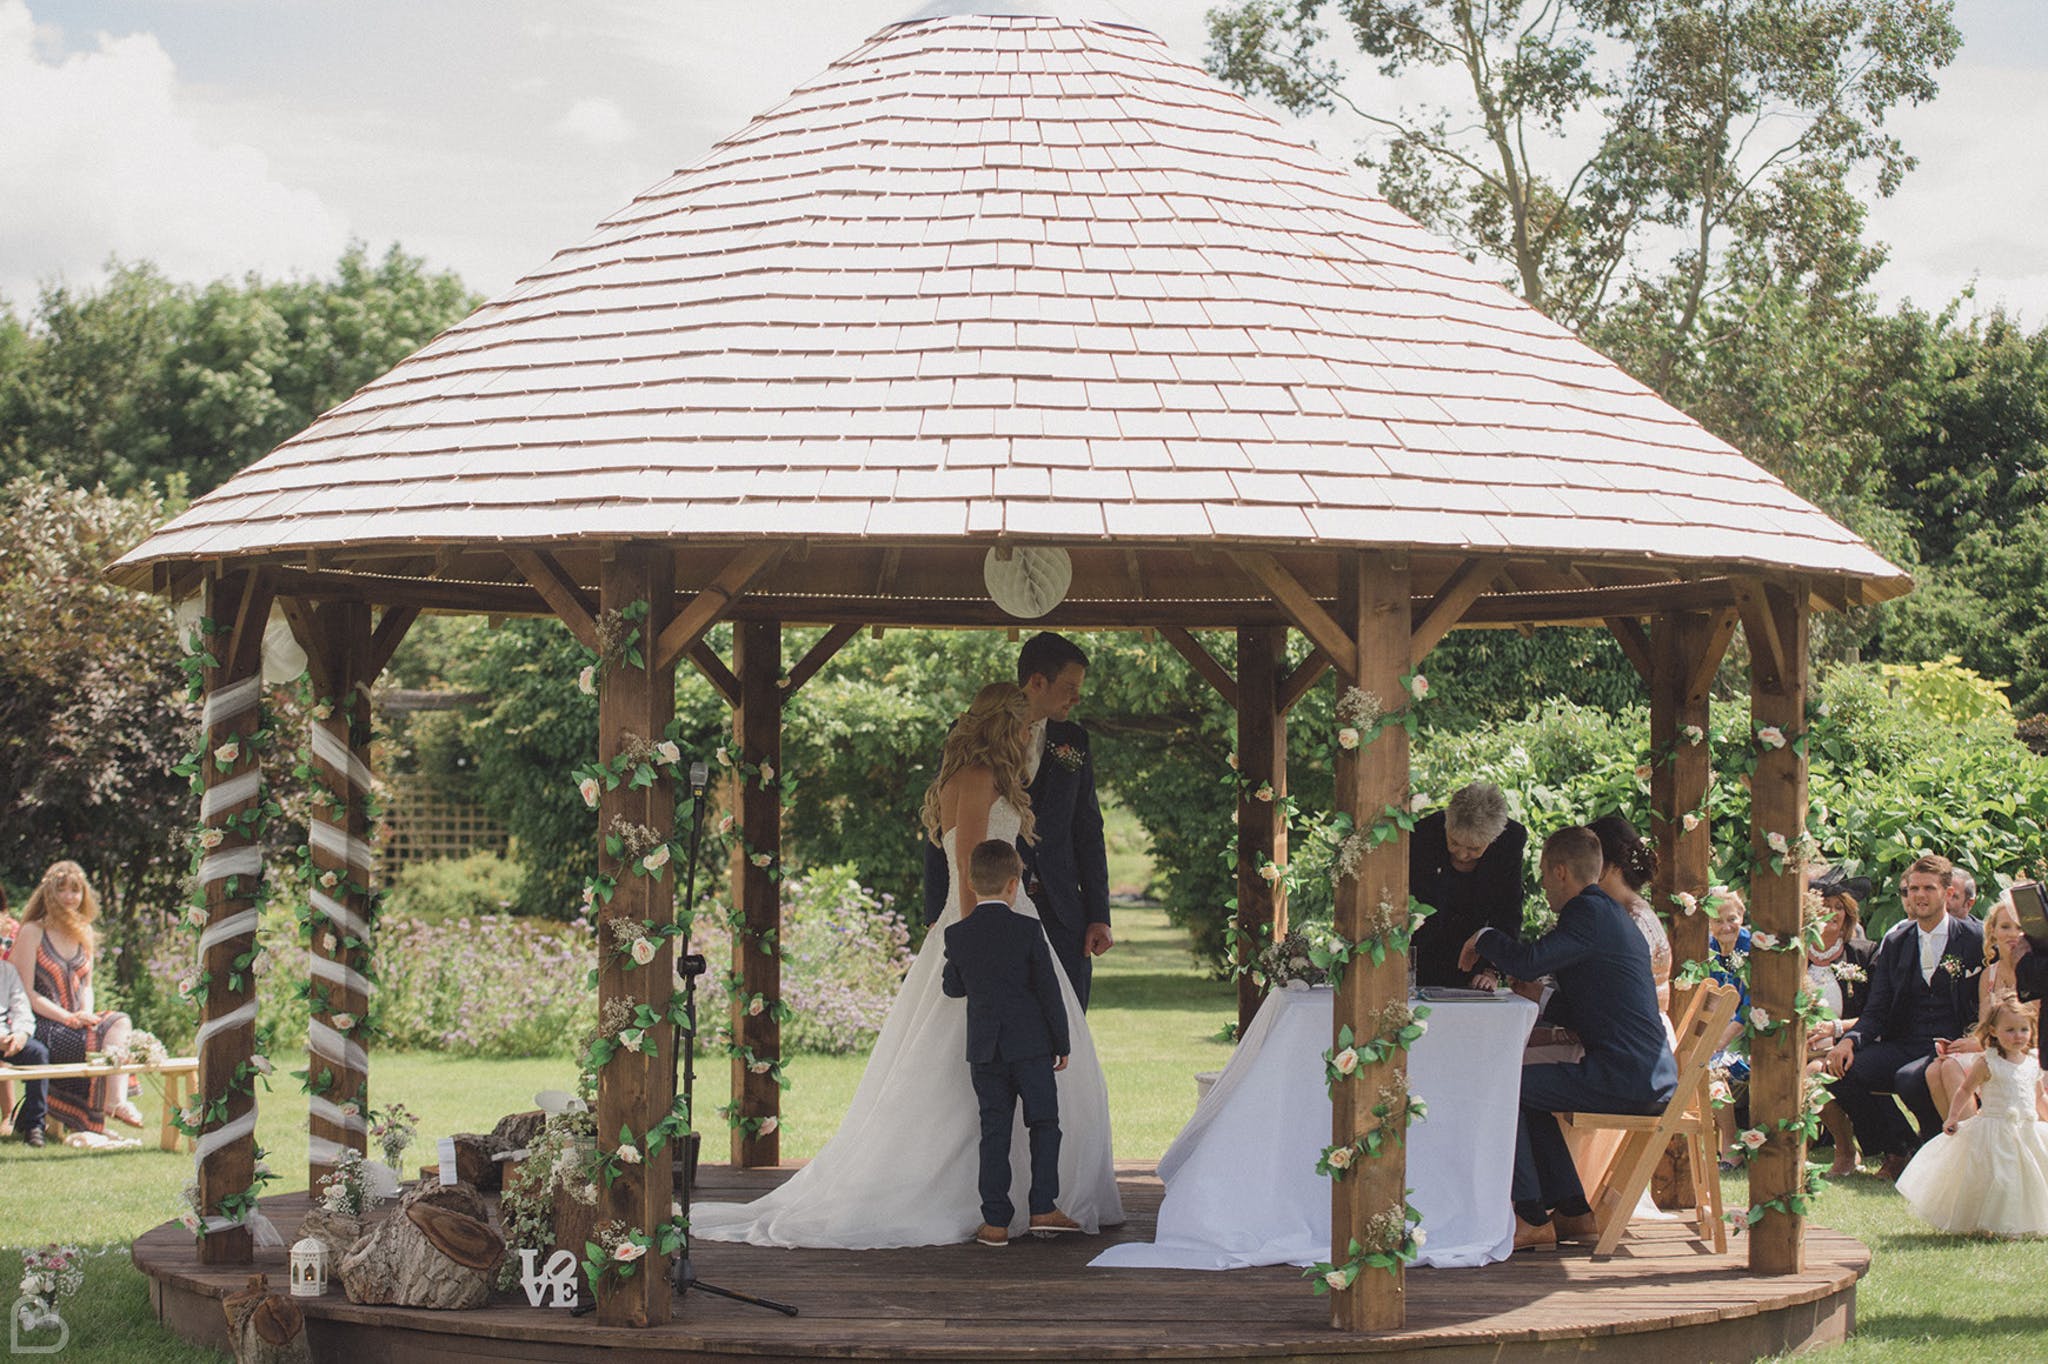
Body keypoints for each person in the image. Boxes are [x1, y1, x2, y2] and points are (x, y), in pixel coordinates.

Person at [693, 683, 1121, 1248]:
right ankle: (1003, 1200)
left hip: (1013, 923)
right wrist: (985, 951)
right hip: (987, 930)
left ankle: (1034, 1201)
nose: (1026, 737)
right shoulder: (977, 780)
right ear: (1003, 726)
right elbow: (971, 870)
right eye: (1020, 727)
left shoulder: (987, 779)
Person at [1459, 826, 1676, 1251]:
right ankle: (1573, 1212)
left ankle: (1531, 1216)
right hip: (1638, 1073)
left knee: (1508, 1088)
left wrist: (1482, 937)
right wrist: (1536, 997)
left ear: (1560, 872)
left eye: (1542, 873)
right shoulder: (1607, 912)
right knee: (1526, 1088)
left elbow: (1529, 958)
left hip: (1629, 1078)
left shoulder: (1588, 912)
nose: (1540, 885)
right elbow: (1588, 1007)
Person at [924, 632, 1113, 1008]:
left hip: (1061, 912)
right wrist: (937, 913)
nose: (1076, 698)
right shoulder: (969, 745)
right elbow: (948, 840)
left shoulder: (1074, 739)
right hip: (987, 901)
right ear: (1038, 681)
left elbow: (1088, 829)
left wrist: (1098, 914)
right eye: (1070, 687)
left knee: (1063, 1021)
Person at [942, 839, 1081, 1247]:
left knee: (994, 1132)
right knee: (1044, 1124)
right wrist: (1062, 1041)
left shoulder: (958, 934)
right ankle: (1043, 1208)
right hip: (1032, 1047)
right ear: (1013, 884)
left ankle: (996, 1223)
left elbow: (953, 988)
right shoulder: (1029, 929)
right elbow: (1048, 991)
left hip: (985, 1051)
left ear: (970, 883)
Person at [1823, 854, 1985, 1180]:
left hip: (1952, 1045)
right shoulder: (1896, 941)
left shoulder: (1973, 939)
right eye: (1912, 889)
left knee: (1910, 1078)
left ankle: (1933, 1148)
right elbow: (1878, 1008)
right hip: (1905, 1040)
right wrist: (1850, 1041)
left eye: (1928, 888)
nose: (1919, 896)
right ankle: (1899, 1145)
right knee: (1842, 1071)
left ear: (1947, 892)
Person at [7, 862, 143, 1142]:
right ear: (48, 893)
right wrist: (66, 1017)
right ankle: (99, 1115)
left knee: (119, 1022)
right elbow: (26, 994)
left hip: (75, 1021)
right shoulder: (32, 931)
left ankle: (114, 1102)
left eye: (75, 890)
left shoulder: (84, 932)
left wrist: (84, 1013)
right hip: (43, 1025)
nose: (70, 897)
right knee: (97, 1041)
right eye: (62, 890)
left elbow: (87, 986)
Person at [1894, 992, 2048, 1236]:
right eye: (2009, 1030)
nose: (2017, 1036)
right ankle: (1992, 1224)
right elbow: (1965, 1089)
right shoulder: (1988, 1062)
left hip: (2026, 1130)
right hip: (1994, 1130)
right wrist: (1953, 1117)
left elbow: (2038, 1097)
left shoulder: (2032, 1062)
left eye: (2023, 1029)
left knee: (2028, 1178)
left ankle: (2022, 1223)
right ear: (1993, 1031)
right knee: (1999, 1178)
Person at [1926, 895, 2047, 1122]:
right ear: (1993, 933)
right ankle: (1956, 1135)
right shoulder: (1988, 976)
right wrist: (1967, 1044)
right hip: (1995, 1046)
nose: (2013, 934)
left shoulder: (2038, 973)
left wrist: (1977, 1044)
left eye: (2020, 927)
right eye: (2005, 926)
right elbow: (1985, 1026)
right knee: (1935, 1069)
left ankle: (1976, 1140)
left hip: (2027, 1049)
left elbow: (2037, 1033)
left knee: (1951, 1068)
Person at [1410, 782, 1529, 989]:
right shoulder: (1423, 834)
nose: (1462, 855)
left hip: (1476, 957)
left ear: (1493, 839)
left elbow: (1508, 910)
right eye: (1454, 843)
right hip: (1422, 953)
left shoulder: (1510, 841)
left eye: (1474, 848)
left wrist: (1492, 970)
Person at [1804, 875, 1877, 1175]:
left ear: (1848, 913)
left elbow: (1876, 1013)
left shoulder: (1863, 953)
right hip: (1802, 1046)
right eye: (1824, 906)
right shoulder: (1794, 954)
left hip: (1847, 1044)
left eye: (1838, 907)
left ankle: (1845, 1148)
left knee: (1810, 1077)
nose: (1831, 913)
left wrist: (1836, 1028)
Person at [1588, 814, 1670, 1014]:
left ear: (1612, 865)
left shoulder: (1635, 919)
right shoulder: (1621, 910)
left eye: (1588, 860)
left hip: (1638, 1035)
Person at [1, 956, 51, 1147]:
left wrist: (21, 1034)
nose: (2, 946)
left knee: (38, 1054)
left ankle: (33, 1127)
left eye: (6, 941)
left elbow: (22, 1008)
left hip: (7, 1039)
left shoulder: (7, 971)